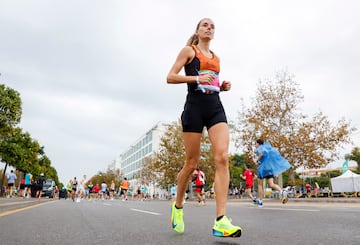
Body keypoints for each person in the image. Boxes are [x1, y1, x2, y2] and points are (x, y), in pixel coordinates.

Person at [166, 18, 242, 237]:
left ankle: (221, 220)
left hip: (215, 107)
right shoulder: (189, 51)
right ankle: (178, 206)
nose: (209, 28)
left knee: (222, 157)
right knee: (191, 164)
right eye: (205, 25)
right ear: (197, 31)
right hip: (194, 109)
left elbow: (212, 83)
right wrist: (196, 79)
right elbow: (170, 77)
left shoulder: (216, 58)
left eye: (212, 26)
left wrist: (222, 87)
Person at [253, 139, 291, 207]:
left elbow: (261, 153)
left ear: (258, 144)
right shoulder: (268, 148)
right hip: (269, 168)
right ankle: (281, 191)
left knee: (259, 185)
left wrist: (256, 159)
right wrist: (259, 161)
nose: (255, 145)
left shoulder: (260, 148)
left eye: (255, 144)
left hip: (263, 169)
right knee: (271, 184)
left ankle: (260, 201)